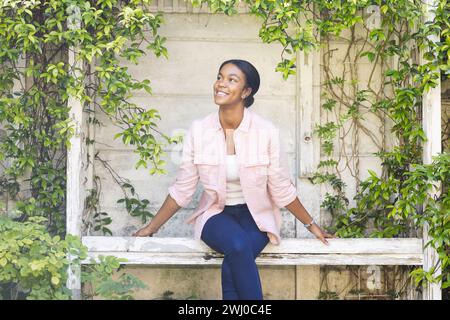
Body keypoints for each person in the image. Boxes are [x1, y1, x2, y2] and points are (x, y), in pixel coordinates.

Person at [132, 59, 335, 300]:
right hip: (216, 214)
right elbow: (183, 190)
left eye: (232, 80)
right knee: (238, 246)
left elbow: (281, 189)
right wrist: (151, 228)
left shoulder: (266, 132)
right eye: (220, 77)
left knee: (236, 258)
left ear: (246, 92)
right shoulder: (199, 131)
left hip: (256, 215)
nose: (221, 84)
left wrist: (312, 226)